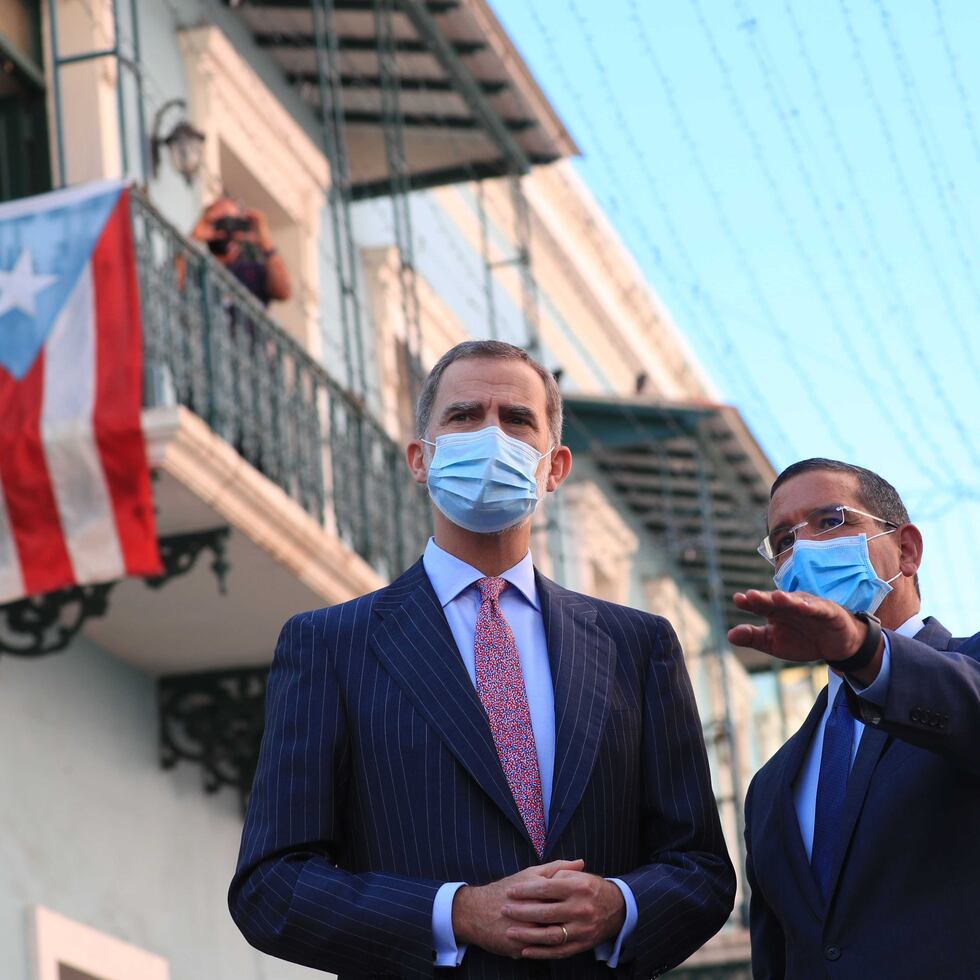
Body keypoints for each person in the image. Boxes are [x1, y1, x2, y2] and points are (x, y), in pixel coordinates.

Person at [229, 340, 735, 978]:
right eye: (464, 416)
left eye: (517, 419)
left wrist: (619, 905)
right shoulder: (330, 643)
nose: (491, 435)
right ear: (421, 459)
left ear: (555, 467)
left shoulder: (637, 645)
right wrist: (456, 912)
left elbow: (702, 869)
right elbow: (271, 887)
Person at [731, 458, 980, 979]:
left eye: (830, 521)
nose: (803, 550)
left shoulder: (967, 670)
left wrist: (866, 652)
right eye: (783, 542)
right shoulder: (771, 787)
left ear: (906, 550)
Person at [190, 196, 291, 305]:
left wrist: (265, 244)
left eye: (232, 222)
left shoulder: (252, 271)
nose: (226, 229)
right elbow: (174, 281)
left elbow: (283, 292)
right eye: (221, 221)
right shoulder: (196, 266)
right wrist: (194, 237)